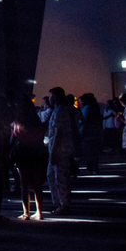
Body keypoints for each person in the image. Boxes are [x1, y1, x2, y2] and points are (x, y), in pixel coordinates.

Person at [11, 99, 49, 220]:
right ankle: (39, 212)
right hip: (36, 154)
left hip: (22, 154)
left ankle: (26, 212)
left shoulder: (17, 124)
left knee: (24, 185)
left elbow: (13, 140)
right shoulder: (38, 123)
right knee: (37, 184)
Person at [45, 87, 76, 215]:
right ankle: (61, 203)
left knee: (60, 177)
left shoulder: (59, 111)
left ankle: (64, 204)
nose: (49, 99)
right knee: (53, 175)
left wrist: (53, 151)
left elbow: (58, 132)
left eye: (51, 96)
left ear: (56, 97)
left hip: (60, 149)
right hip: (59, 148)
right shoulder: (59, 110)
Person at [79, 94, 105, 175]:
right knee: (95, 153)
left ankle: (89, 168)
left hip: (87, 134)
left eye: (80, 102)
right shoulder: (96, 108)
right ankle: (95, 168)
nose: (79, 103)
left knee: (88, 153)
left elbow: (83, 121)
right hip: (96, 133)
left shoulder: (86, 109)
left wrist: (80, 131)